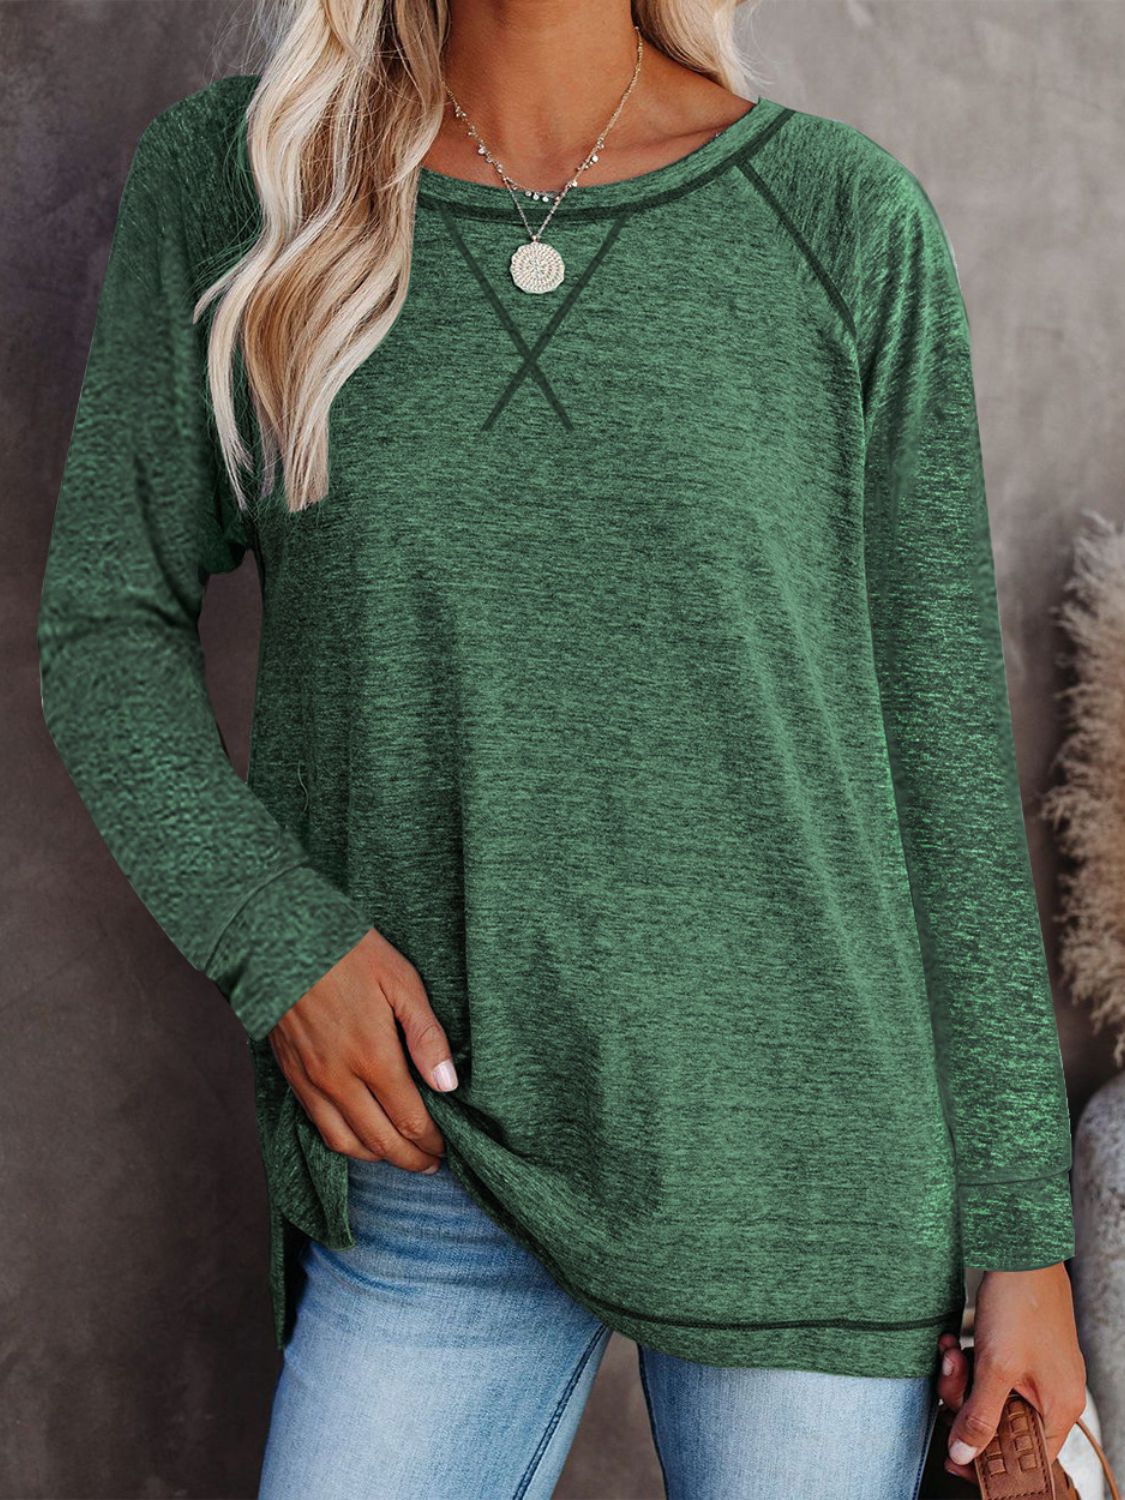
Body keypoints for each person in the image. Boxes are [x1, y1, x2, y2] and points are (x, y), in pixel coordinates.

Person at [36, 1, 1088, 1496]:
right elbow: (103, 628)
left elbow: (944, 773)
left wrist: (1023, 1242)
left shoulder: (843, 223)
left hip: (803, 1167)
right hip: (432, 1159)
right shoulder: (251, 184)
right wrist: (280, 942)